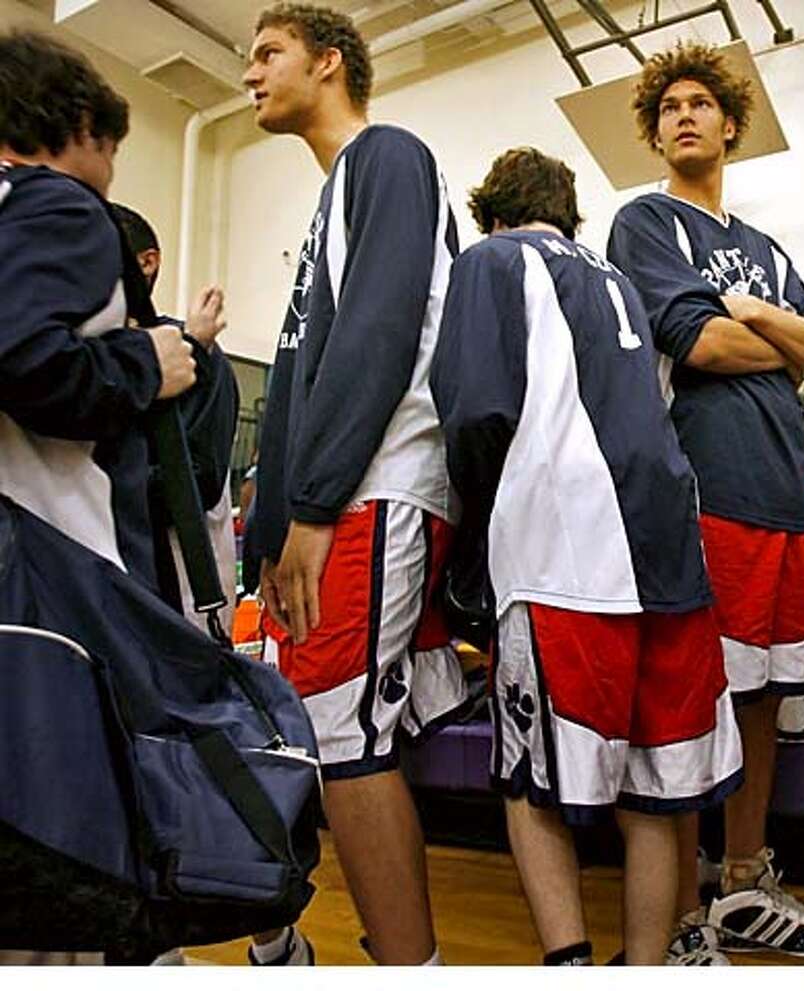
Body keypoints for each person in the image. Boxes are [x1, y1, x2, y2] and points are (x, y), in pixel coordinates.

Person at [431, 146, 742, 967]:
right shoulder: (618, 278)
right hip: (670, 551)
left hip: (566, 549)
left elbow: (475, 415)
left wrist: (473, 536)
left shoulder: (492, 259)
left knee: (530, 783)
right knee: (653, 791)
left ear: (491, 211)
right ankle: (646, 967)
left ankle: (568, 962)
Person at [608, 40, 804, 963]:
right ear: (655, 128)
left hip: (781, 501)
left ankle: (743, 885)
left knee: (763, 702)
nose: (684, 115)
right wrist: (782, 338)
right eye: (668, 105)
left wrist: (755, 313)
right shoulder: (644, 223)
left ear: (728, 123)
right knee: (690, 709)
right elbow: (698, 345)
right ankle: (678, 921)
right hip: (699, 495)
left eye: (700, 103)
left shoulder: (765, 251)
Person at [242, 3, 467, 966]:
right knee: (340, 735)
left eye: (268, 53)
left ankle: (415, 970)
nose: (250, 74)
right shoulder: (335, 193)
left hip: (371, 492)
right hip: (341, 500)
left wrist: (316, 504)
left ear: (329, 62)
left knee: (347, 740)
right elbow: (307, 373)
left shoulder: (388, 157)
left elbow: (377, 337)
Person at [0, 32, 198, 589]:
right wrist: (146, 363)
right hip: (51, 558)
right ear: (85, 125)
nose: (110, 173)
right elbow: (20, 354)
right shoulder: (60, 203)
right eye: (112, 150)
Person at [113, 203, 239, 634]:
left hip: (180, 591)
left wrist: (99, 482)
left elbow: (195, 479)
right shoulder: (91, 363)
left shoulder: (191, 357)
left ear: (146, 263)